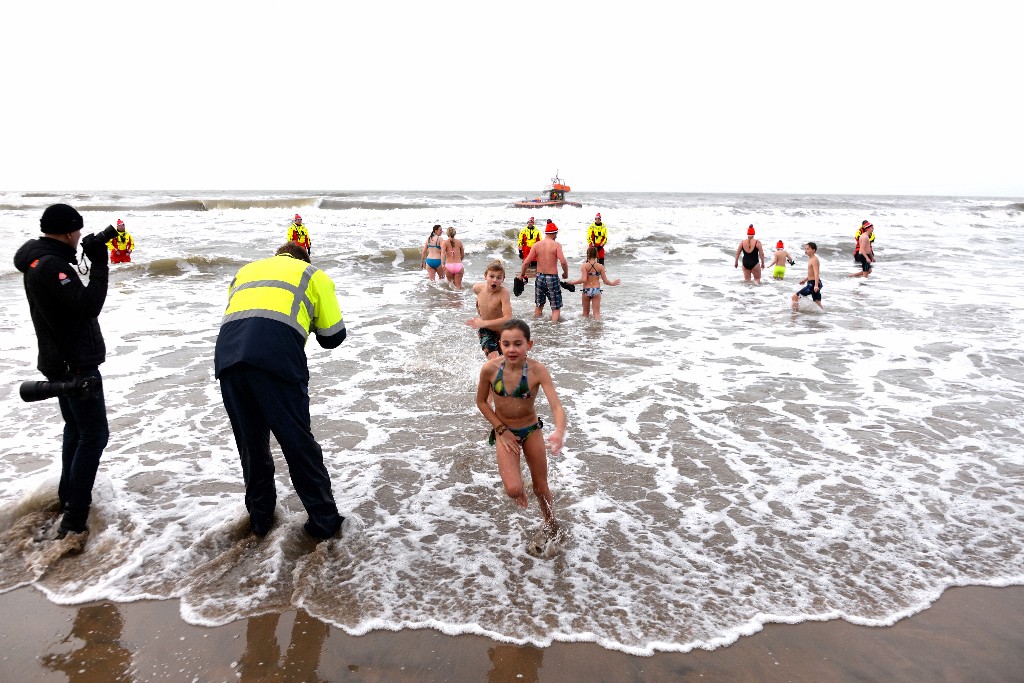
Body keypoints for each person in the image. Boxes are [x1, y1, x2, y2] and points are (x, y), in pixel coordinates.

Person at [214, 242, 347, 540]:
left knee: (252, 446)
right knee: (298, 444)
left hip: (228, 359)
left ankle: (260, 521)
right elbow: (333, 337)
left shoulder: (246, 271)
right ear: (305, 258)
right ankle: (324, 523)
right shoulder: (313, 274)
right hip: (275, 359)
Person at [13, 204, 111, 538]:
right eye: (78, 231)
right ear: (70, 232)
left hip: (60, 361)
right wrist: (99, 262)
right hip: (75, 364)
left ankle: (68, 498)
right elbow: (88, 305)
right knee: (95, 434)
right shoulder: (51, 265)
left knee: (77, 429)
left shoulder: (38, 261)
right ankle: (74, 519)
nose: (80, 236)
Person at [475, 319, 566, 546]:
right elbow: (481, 403)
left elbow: (556, 405)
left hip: (531, 430)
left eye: (518, 343)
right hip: (504, 431)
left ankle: (550, 523)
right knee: (514, 489)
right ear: (500, 344)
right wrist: (501, 430)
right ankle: (520, 492)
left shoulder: (537, 370)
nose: (512, 349)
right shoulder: (489, 369)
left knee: (540, 487)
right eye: (506, 344)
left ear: (529, 344)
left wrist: (559, 431)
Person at [519, 221, 569, 322]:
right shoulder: (556, 245)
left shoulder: (536, 245)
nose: (556, 236)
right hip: (552, 277)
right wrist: (565, 273)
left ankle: (538, 327)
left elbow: (526, 263)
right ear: (554, 233)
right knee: (555, 307)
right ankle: (554, 330)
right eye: (556, 234)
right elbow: (563, 262)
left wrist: (522, 275)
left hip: (540, 277)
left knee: (539, 305)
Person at [466, 260, 513, 359]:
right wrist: (479, 307)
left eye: (499, 277)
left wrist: (483, 323)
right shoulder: (477, 288)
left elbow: (508, 318)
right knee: (495, 361)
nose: (495, 280)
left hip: (503, 332)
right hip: (486, 331)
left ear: (503, 279)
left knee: (512, 362)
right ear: (485, 276)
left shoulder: (504, 293)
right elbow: (479, 301)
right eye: (491, 276)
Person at [566, 246, 621, 320]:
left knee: (585, 314)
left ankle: (585, 330)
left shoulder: (584, 266)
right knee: (597, 314)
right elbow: (605, 281)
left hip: (586, 290)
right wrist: (612, 283)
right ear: (596, 255)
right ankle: (598, 329)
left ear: (587, 254)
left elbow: (583, 279)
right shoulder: (600, 266)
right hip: (596, 291)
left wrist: (572, 282)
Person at [792, 242, 824, 310]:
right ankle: (823, 315)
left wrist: (816, 285)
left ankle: (794, 313)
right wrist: (805, 280)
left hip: (813, 284)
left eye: (808, 249)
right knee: (817, 303)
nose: (806, 250)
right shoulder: (811, 259)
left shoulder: (814, 260)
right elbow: (811, 273)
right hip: (813, 282)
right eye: (805, 249)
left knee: (795, 296)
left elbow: (816, 273)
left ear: (813, 250)